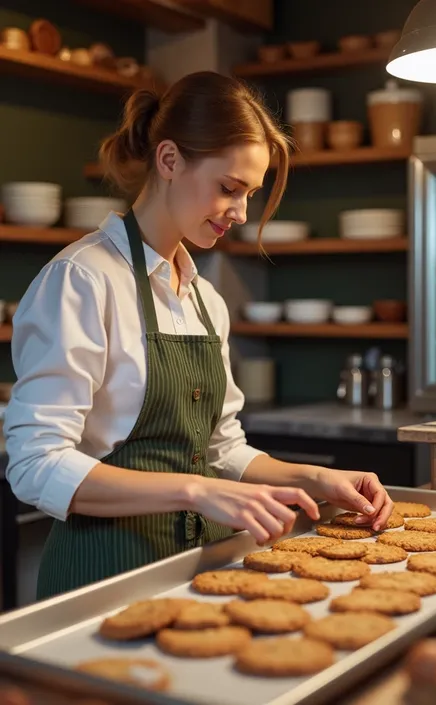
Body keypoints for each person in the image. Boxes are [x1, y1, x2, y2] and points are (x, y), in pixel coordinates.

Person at [4, 71, 393, 599]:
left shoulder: (204, 300)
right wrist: (197, 491)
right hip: (103, 578)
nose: (241, 213)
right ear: (169, 160)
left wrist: (312, 479)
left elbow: (219, 448)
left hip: (199, 573)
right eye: (229, 188)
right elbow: (35, 463)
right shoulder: (82, 279)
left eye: (250, 194)